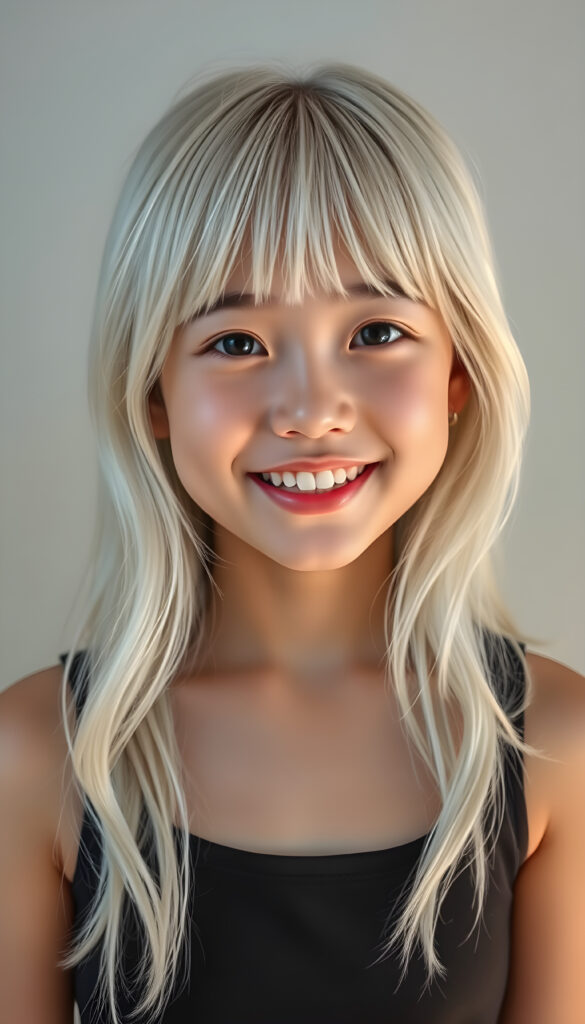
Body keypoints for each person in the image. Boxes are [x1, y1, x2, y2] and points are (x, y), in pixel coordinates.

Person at [1, 63, 583, 1024]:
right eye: (237, 343)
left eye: (378, 330)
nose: (311, 410)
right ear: (153, 392)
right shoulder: (37, 757)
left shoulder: (550, 745)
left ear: (457, 376)